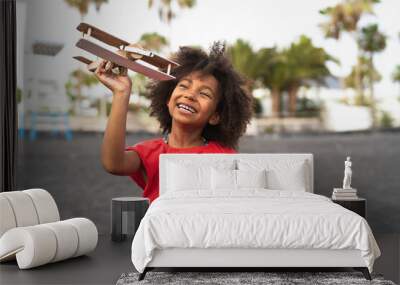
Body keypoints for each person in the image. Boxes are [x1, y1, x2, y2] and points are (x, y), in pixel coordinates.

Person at [95, 41, 254, 203]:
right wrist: (121, 93)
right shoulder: (149, 153)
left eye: (204, 94)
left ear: (215, 116)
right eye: (184, 86)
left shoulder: (225, 157)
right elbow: (113, 164)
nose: (190, 95)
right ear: (168, 99)